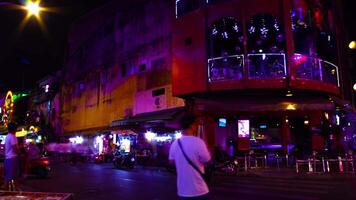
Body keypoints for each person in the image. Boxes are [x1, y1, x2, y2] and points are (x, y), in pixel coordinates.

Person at [169, 114, 211, 200]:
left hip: (183, 191)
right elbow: (207, 160)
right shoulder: (198, 142)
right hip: (199, 190)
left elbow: (171, 162)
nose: (197, 126)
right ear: (192, 125)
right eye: (196, 124)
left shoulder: (175, 143)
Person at [3, 122, 20, 191]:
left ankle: (16, 190)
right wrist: (20, 154)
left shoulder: (7, 136)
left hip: (8, 159)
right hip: (12, 159)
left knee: (12, 176)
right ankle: (6, 192)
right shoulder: (13, 136)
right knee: (9, 177)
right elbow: (15, 148)